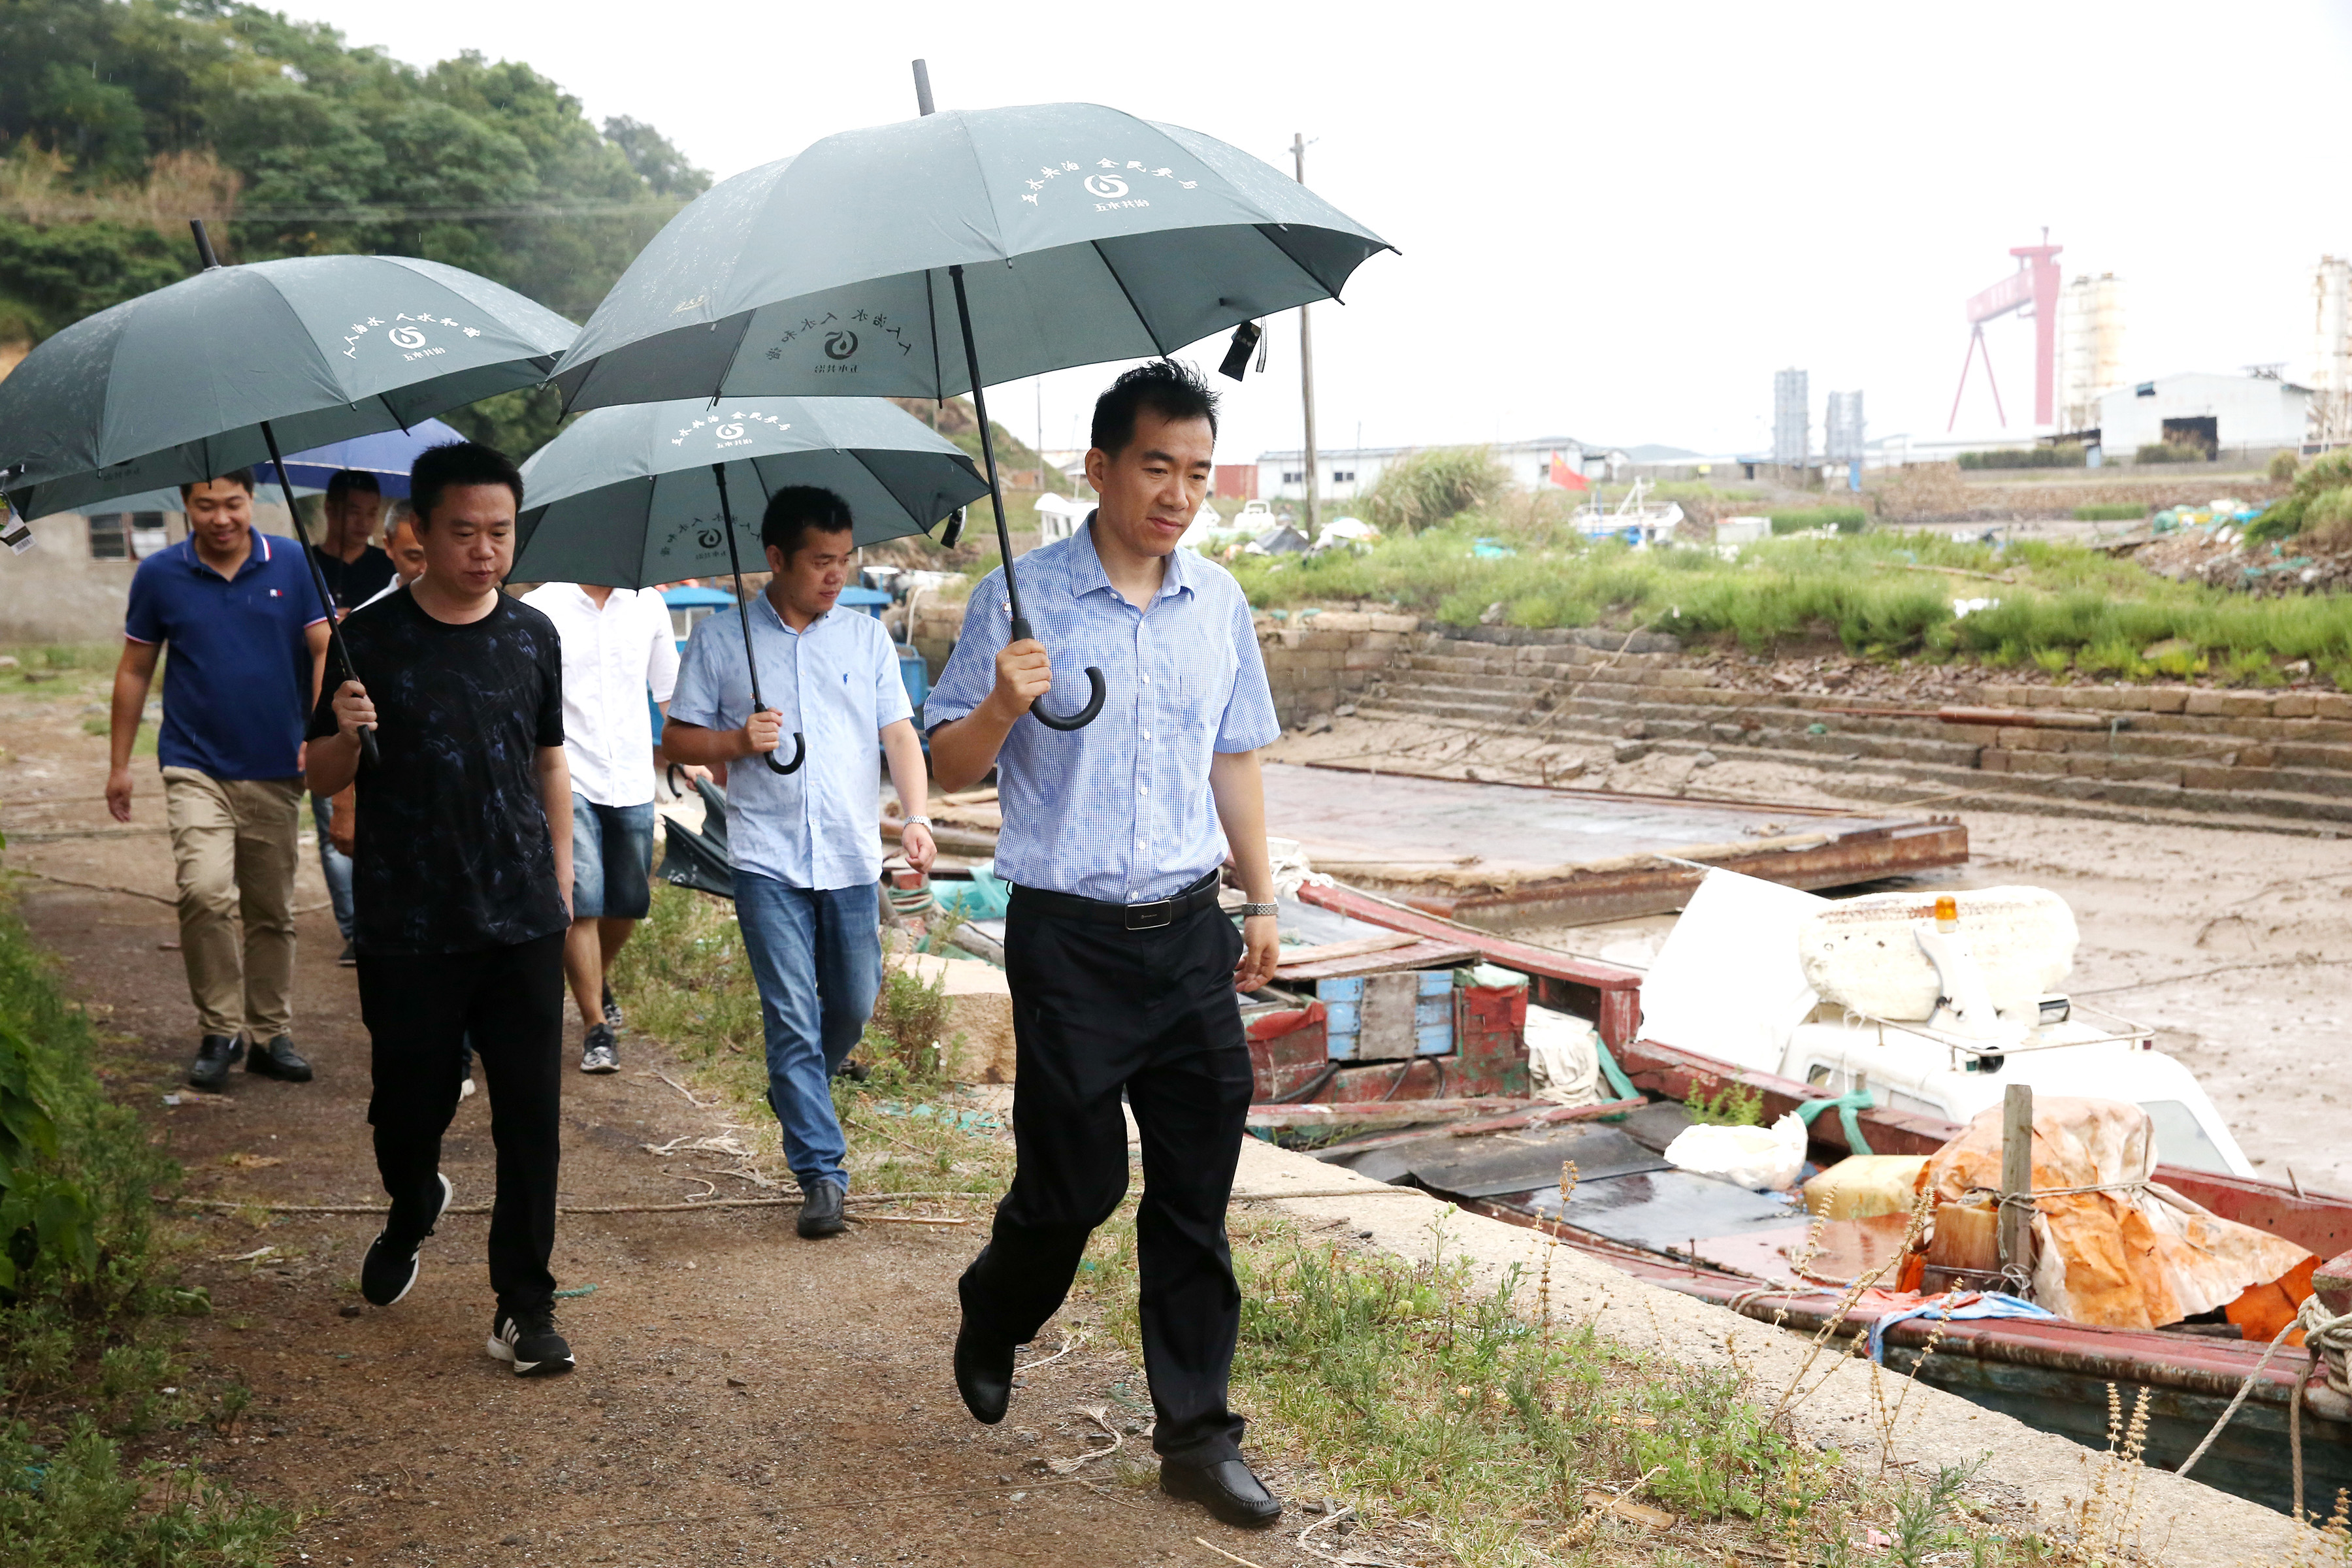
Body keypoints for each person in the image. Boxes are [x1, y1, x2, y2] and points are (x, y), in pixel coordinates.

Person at [923, 361, 1284, 1528]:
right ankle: (997, 1304)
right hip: (1068, 938)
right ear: (1100, 467)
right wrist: (998, 706)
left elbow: (1235, 755)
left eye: (1194, 471)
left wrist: (1263, 899)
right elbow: (943, 768)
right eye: (1154, 467)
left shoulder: (1217, 602)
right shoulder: (1018, 599)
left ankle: (1196, 1433)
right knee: (1075, 1184)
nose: (1177, 492)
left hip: (1187, 930)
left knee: (1194, 1191)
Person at [306, 440, 578, 1377]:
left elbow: (548, 759)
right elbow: (319, 772)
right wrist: (343, 731)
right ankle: (413, 1197)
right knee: (407, 1109)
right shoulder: (365, 641)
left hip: (521, 917)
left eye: (500, 532)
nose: (485, 551)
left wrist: (563, 870)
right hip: (409, 926)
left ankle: (524, 1306)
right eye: (464, 532)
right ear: (417, 532)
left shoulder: (534, 636)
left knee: (530, 1122)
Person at [662, 486, 936, 1240]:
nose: (836, 575)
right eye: (821, 561)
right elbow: (678, 741)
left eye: (845, 560)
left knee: (850, 1002)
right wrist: (734, 743)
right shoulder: (722, 641)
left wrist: (917, 817)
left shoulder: (865, 639)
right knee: (789, 1013)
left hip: (851, 855)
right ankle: (822, 1173)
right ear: (777, 558)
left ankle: (798, 1080)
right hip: (765, 858)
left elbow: (900, 738)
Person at [108, 471, 330, 1090]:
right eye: (206, 506)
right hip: (193, 762)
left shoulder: (290, 561)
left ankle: (270, 1034)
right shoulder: (160, 575)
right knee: (204, 893)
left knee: (270, 909)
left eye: (232, 503)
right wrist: (119, 764)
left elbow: (322, 650)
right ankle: (219, 1029)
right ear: (184, 505)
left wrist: (317, 732)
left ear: (252, 500)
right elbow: (134, 671)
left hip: (276, 765)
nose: (222, 518)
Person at [518, 576, 693, 1074]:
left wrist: (699, 756)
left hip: (633, 775)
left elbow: (670, 696)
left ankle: (595, 978)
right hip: (564, 772)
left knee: (630, 902)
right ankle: (596, 1025)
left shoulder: (649, 606)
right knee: (583, 898)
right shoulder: (540, 607)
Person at [308, 471, 398, 963]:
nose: (359, 522)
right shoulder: (308, 566)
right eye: (350, 511)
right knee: (331, 821)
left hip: (378, 710)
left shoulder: (388, 569)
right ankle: (353, 928)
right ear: (329, 510)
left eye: (369, 512)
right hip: (324, 705)